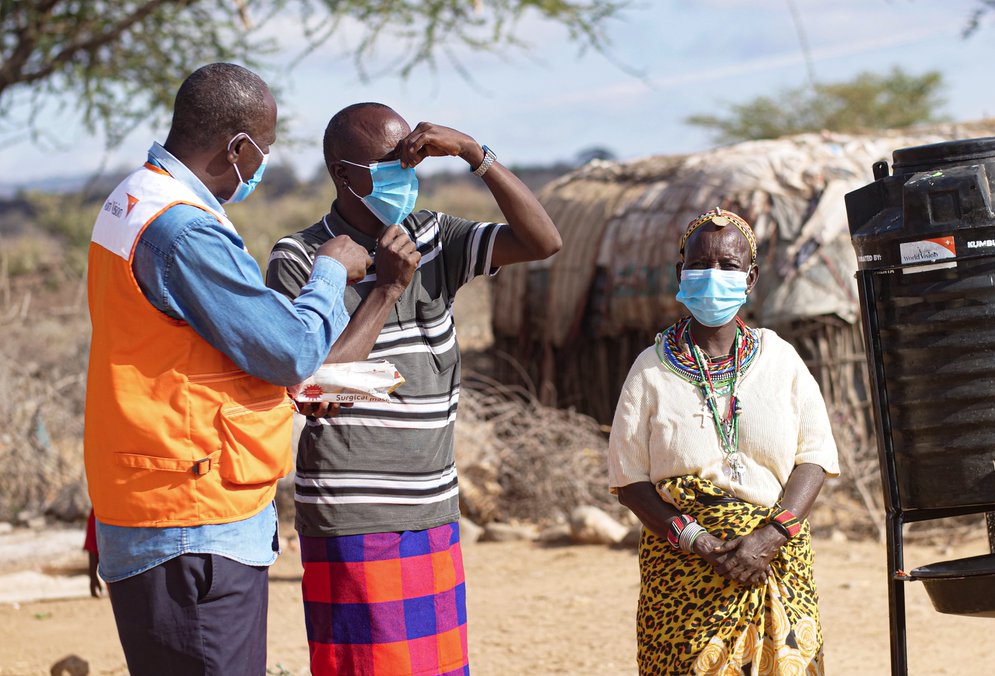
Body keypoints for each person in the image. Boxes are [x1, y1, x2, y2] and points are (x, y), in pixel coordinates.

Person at [83, 62, 371, 675]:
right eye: (262, 151)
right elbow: (289, 348)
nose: (262, 165)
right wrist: (329, 272)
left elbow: (181, 354)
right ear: (239, 148)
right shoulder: (182, 230)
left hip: (156, 499)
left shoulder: (131, 198)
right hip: (193, 519)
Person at [264, 102, 561, 676]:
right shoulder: (302, 258)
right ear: (344, 174)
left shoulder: (433, 235)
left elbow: (543, 241)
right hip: (354, 513)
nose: (406, 175)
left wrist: (477, 155)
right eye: (388, 164)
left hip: (431, 505)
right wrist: (386, 290)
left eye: (411, 160)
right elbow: (308, 387)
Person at [607, 207, 841, 675]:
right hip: (682, 572)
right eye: (700, 265)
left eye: (728, 266)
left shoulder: (782, 361)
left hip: (774, 559)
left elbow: (814, 458)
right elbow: (629, 481)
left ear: (750, 278)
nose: (713, 276)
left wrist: (770, 537)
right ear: (681, 273)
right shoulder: (649, 371)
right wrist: (696, 540)